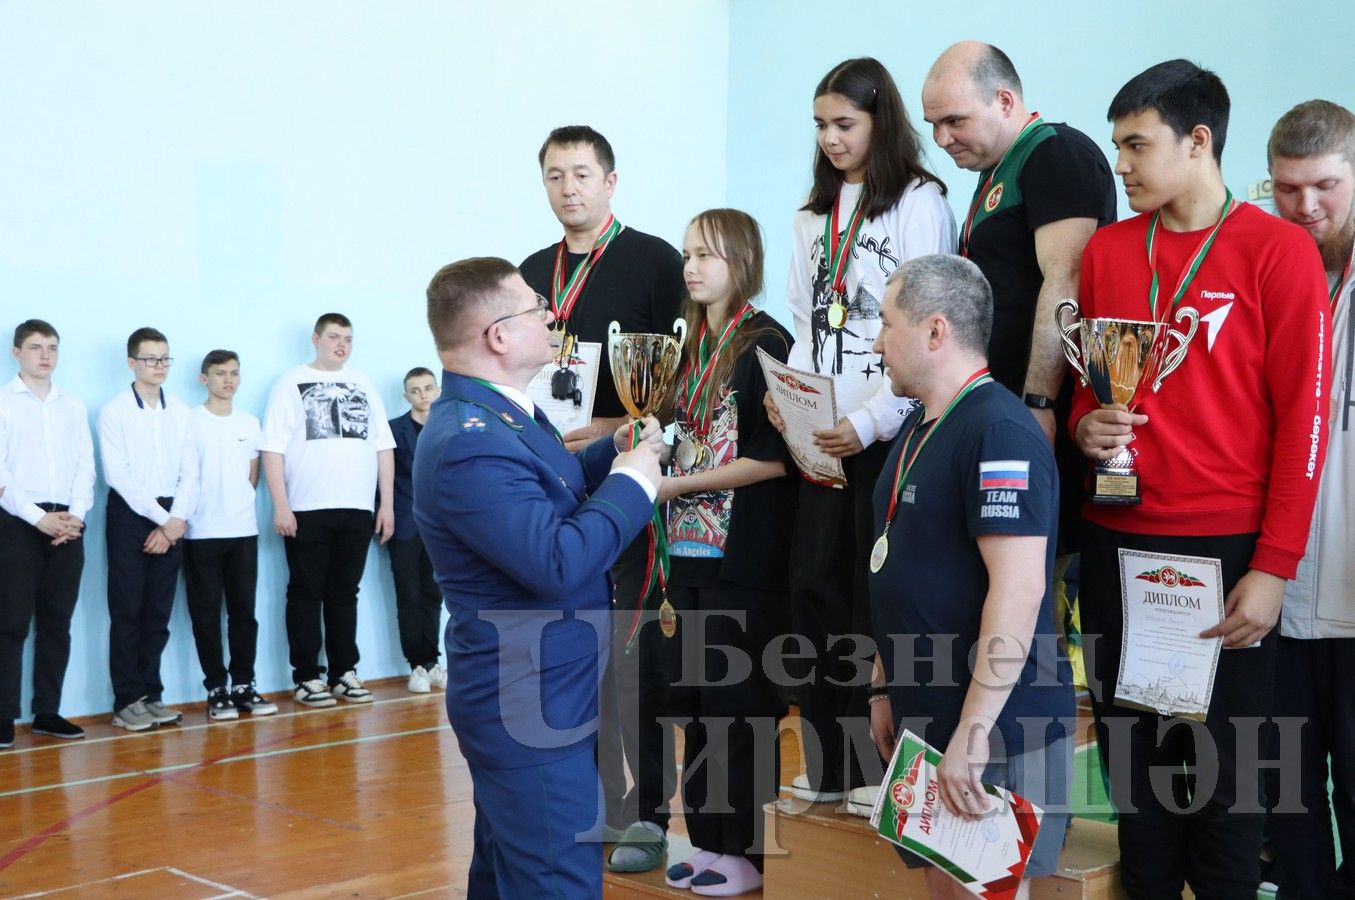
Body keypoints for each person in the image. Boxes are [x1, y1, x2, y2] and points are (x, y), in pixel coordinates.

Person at [1072, 61, 1330, 898]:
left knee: (1229, 786)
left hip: (1224, 556)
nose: (1122, 163)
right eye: (1116, 145)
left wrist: (1271, 566)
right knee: (1135, 775)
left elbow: (1304, 422)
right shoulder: (1110, 250)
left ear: (1197, 141)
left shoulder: (1276, 251)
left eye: (1136, 144)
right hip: (1116, 541)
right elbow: (1088, 383)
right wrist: (1085, 424)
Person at [414, 256, 662, 899]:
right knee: (557, 882)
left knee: (506, 879)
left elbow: (556, 486)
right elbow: (558, 561)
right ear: (498, 335)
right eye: (533, 306)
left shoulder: (503, 414)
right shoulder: (471, 439)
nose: (550, 313)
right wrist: (637, 481)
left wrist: (617, 447)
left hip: (547, 689)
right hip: (528, 701)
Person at [762, 56, 956, 809]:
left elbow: (918, 330)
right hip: (818, 438)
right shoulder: (810, 213)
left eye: (845, 123)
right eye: (820, 125)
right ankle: (829, 763)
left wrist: (867, 419)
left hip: (882, 433)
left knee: (867, 605)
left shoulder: (918, 200)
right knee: (811, 597)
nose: (831, 138)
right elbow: (805, 325)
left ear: (881, 121)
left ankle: (877, 771)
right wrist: (794, 405)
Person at [867, 254, 1074, 899]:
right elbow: (899, 561)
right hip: (929, 717)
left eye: (885, 323)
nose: (876, 343)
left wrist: (974, 730)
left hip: (998, 728)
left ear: (934, 331)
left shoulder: (1000, 430)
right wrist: (882, 687)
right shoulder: (919, 425)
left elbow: (1019, 588)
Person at [520, 124, 685, 836]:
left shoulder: (653, 262)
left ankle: (643, 813)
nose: (568, 188)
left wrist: (614, 423)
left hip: (623, 480)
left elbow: (682, 382)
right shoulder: (529, 271)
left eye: (581, 174)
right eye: (555, 175)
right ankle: (583, 805)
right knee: (566, 655)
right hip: (550, 486)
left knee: (629, 659)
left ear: (610, 181)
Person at [921, 41, 1115, 567]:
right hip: (996, 409)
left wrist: (1039, 405)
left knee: (1033, 582)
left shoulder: (1057, 153)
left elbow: (1065, 282)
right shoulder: (993, 170)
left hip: (1036, 417)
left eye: (954, 121)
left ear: (1004, 101)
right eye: (933, 124)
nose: (942, 138)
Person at [1263, 98, 1355, 899]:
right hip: (1279, 589)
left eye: (1323, 185)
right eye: (1286, 189)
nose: (1305, 207)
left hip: (1354, 595)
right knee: (1283, 793)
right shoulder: (1268, 270)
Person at [260, 313, 396, 708]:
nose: (342, 344)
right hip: (306, 508)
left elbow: (383, 447)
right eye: (334, 337)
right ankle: (306, 677)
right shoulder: (290, 382)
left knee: (344, 593)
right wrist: (281, 506)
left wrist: (385, 504)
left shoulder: (363, 383)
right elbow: (272, 447)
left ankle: (343, 672)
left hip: (355, 508)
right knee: (305, 592)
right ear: (316, 339)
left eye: (348, 339)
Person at [0, 320, 95, 747]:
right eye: (36, 347)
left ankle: (47, 712)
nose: (45, 355)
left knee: (57, 623)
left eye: (52, 347)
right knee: (11, 624)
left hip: (68, 525)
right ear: (17, 352)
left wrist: (75, 516)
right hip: (18, 523)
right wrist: (37, 518)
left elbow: (84, 466)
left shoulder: (71, 405)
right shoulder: (3, 402)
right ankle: (4, 716)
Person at [99, 326, 199, 731]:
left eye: (164, 359)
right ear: (131, 363)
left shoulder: (180, 412)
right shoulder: (115, 410)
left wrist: (176, 521)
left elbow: (191, 472)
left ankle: (151, 695)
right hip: (130, 515)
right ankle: (127, 701)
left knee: (158, 613)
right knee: (128, 611)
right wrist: (167, 522)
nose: (158, 366)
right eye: (150, 359)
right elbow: (118, 475)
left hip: (174, 516)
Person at [182, 350, 276, 721]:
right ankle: (216, 688)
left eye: (234, 373)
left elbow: (252, 476)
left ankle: (243, 685)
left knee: (243, 612)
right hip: (200, 532)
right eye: (220, 373)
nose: (229, 380)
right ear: (204, 378)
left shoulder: (250, 423)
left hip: (242, 530)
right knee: (205, 614)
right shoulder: (189, 421)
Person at [385, 366, 446, 693]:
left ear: (437, 390)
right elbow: (383, 479)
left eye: (428, 388)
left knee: (433, 595)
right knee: (408, 597)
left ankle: (434, 661)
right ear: (406, 395)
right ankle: (417, 666)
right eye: (416, 390)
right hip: (404, 525)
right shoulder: (393, 430)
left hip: (440, 529)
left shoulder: (447, 428)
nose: (423, 395)